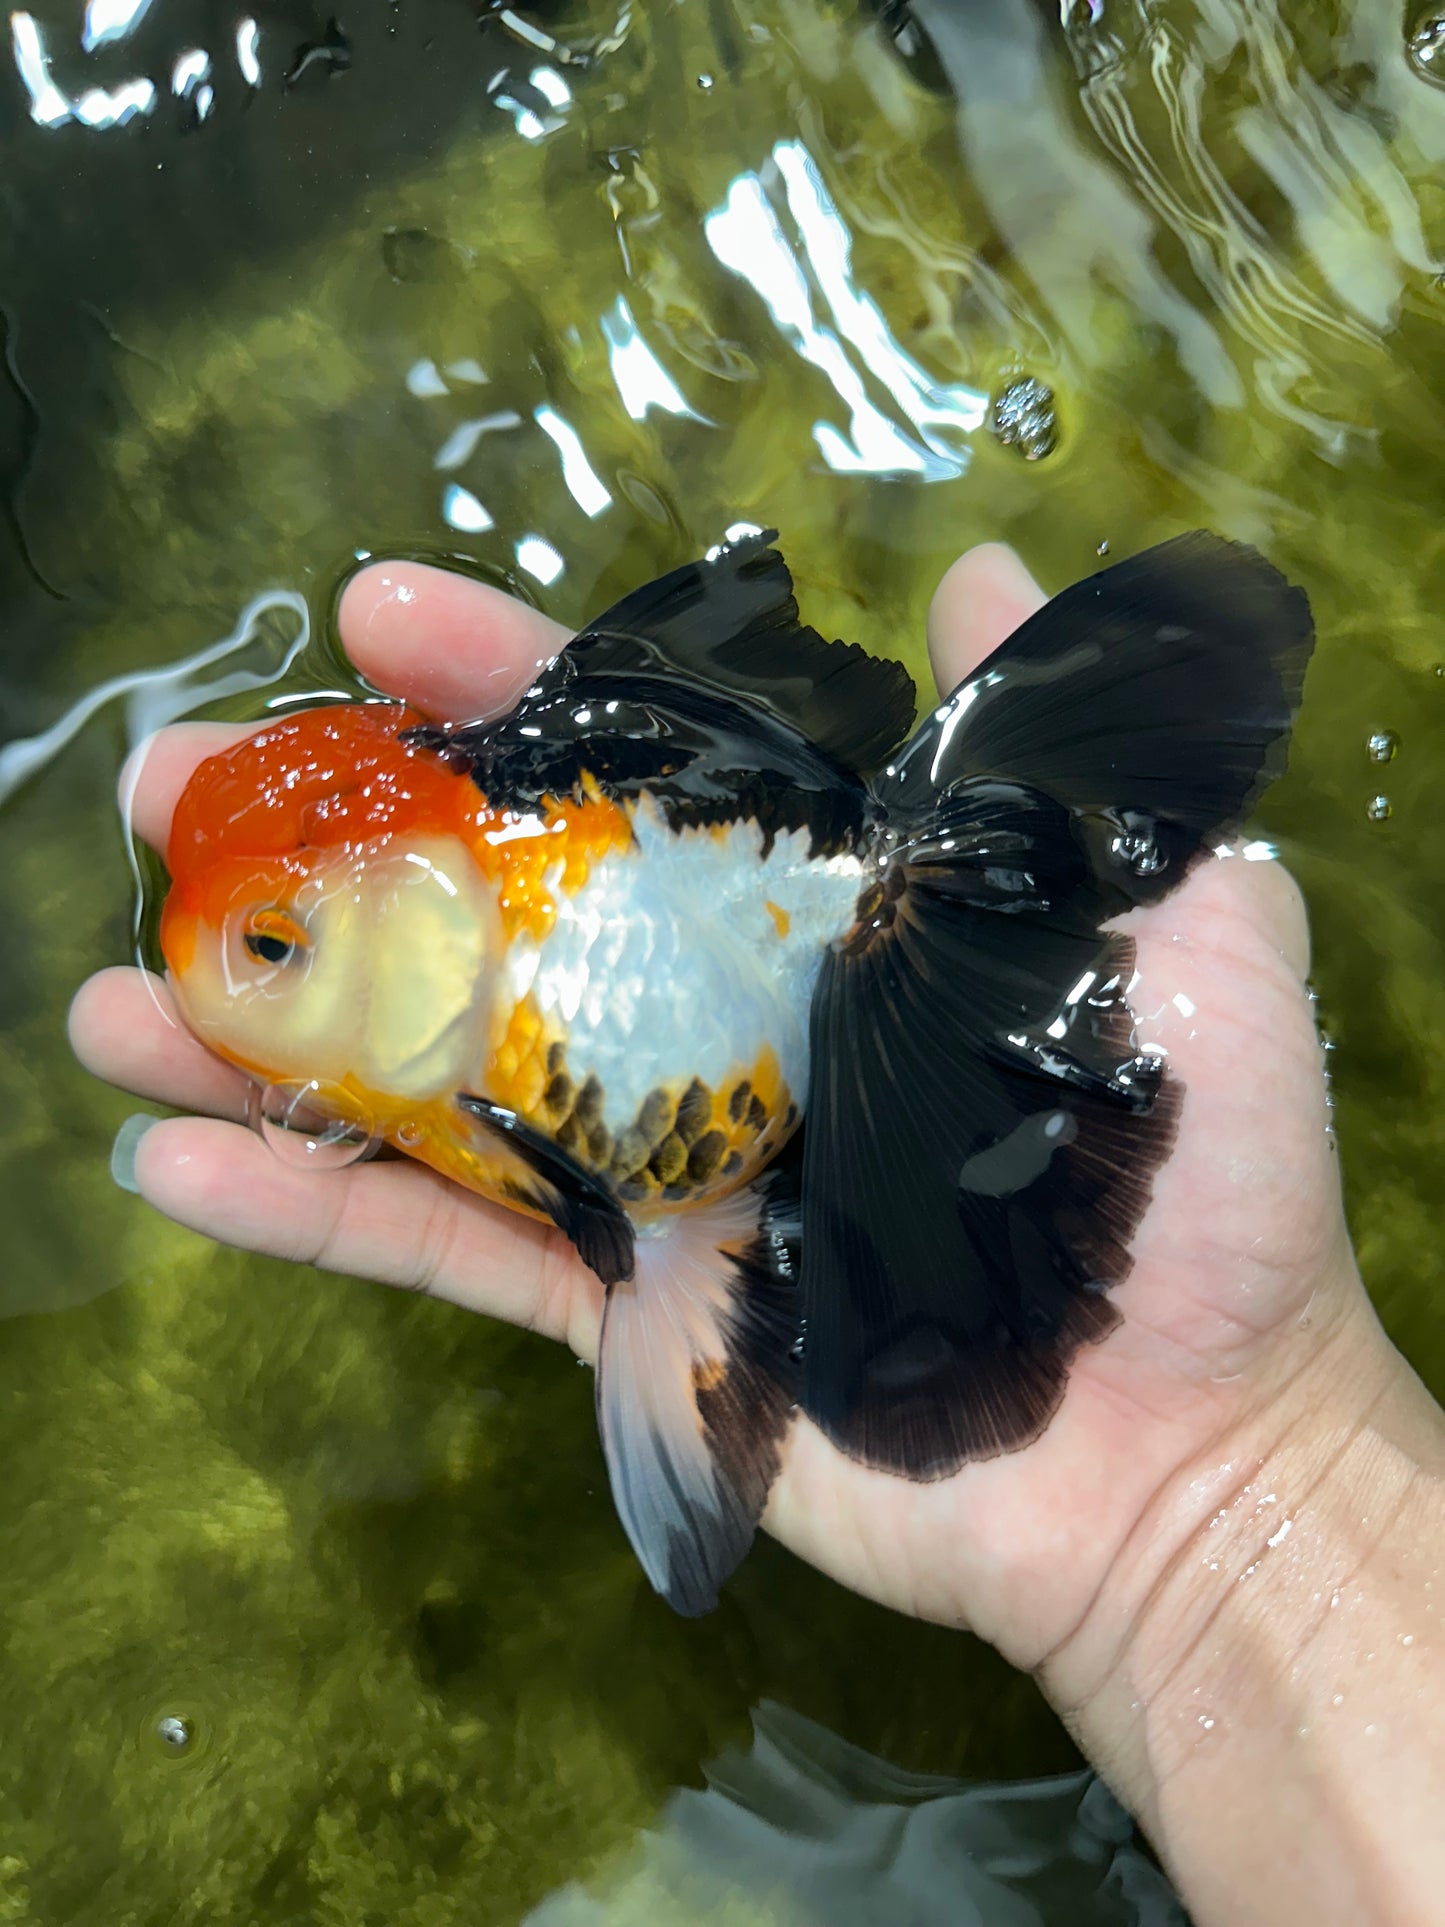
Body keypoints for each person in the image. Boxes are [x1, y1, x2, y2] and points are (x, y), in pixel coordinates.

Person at [68, 542, 1445, 1926]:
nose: (219, 976)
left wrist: (1239, 1468)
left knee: (655, 1211)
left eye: (270, 947)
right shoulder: (452, 1013)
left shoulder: (538, 1043)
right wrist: (1254, 1494)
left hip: (780, 985)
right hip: (753, 1025)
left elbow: (659, 1235)